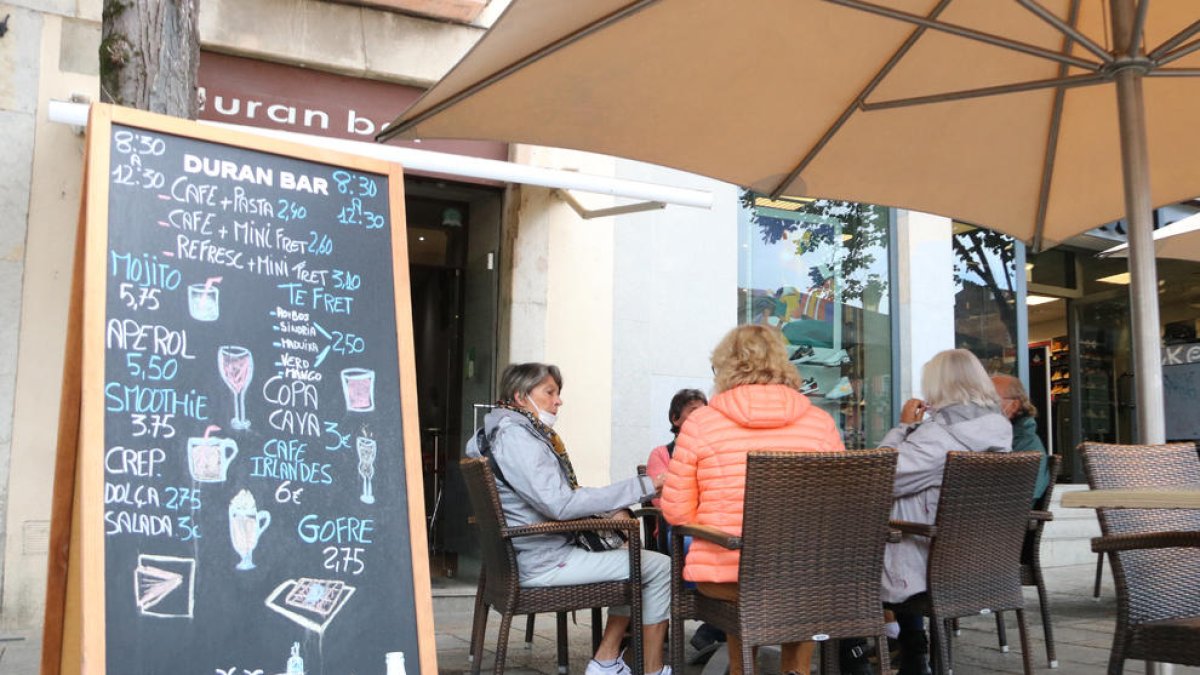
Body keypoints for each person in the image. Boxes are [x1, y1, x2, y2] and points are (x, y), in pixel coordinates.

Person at [660, 325, 845, 675]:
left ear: (725, 365)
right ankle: (796, 671)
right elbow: (838, 505)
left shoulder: (701, 423)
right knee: (797, 580)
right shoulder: (820, 423)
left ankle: (743, 667)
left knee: (743, 579)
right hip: (806, 572)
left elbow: (677, 512)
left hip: (727, 575)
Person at [466, 363, 672, 675]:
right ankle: (649, 669)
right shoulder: (516, 437)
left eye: (558, 393)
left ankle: (607, 659)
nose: (558, 401)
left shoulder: (500, 432)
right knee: (659, 567)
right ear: (521, 397)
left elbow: (554, 496)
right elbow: (559, 504)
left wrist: (608, 509)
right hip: (543, 559)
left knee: (633, 556)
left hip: (527, 552)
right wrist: (643, 486)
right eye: (549, 392)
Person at [878, 349, 1013, 675]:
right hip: (978, 559)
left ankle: (860, 654)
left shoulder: (937, 435)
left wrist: (903, 427)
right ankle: (913, 648)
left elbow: (880, 476)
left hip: (925, 563)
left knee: (840, 563)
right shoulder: (999, 428)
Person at [644, 389, 726, 661]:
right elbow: (661, 501)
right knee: (695, 546)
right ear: (675, 418)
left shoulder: (714, 451)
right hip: (676, 530)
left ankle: (716, 623)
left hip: (711, 526)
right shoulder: (661, 454)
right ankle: (715, 617)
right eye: (694, 411)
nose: (701, 416)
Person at [992, 374, 1050, 502]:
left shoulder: (1026, 443)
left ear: (1014, 405)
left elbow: (1024, 498)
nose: (983, 405)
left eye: (993, 400)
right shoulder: (989, 438)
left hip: (1003, 517)